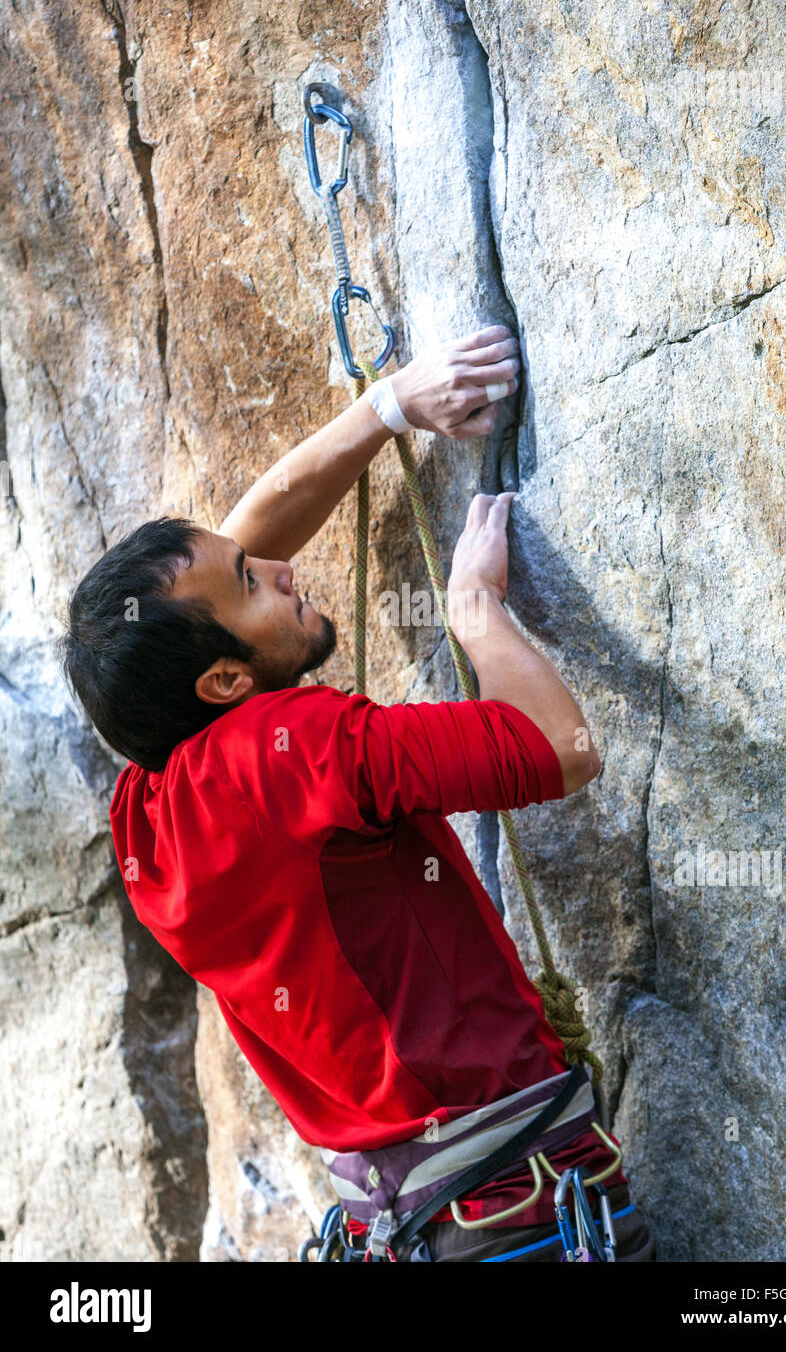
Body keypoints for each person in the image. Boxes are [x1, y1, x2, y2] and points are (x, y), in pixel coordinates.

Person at [60, 324, 630, 1263]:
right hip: (514, 1215)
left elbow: (233, 554)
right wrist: (476, 613)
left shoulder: (149, 808)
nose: (281, 567)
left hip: (410, 1225)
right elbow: (563, 749)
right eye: (255, 583)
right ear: (224, 682)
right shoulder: (300, 752)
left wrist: (389, 408)